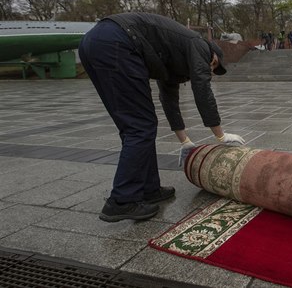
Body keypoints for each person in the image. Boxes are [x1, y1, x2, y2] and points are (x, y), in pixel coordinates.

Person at [79, 12, 245, 222]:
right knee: (139, 126)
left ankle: (149, 189)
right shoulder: (200, 46)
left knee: (135, 124)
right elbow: (202, 90)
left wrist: (184, 141)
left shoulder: (175, 57)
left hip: (96, 42)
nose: (210, 71)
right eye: (213, 67)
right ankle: (122, 200)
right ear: (214, 57)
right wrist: (221, 136)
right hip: (119, 41)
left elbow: (169, 101)